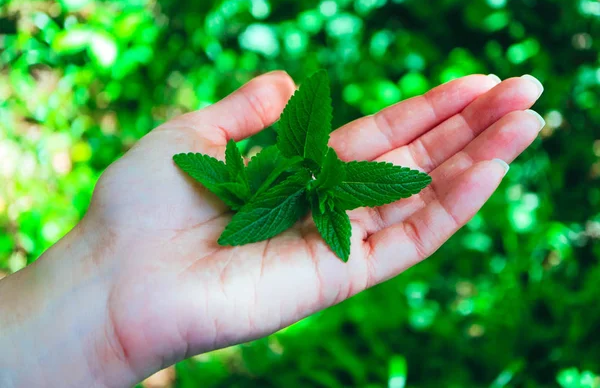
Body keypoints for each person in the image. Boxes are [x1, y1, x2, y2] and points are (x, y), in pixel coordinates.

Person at [0, 70, 544, 387]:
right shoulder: (292, 191)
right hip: (295, 190)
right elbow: (249, 213)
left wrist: (100, 309)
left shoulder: (318, 193)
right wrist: (104, 306)